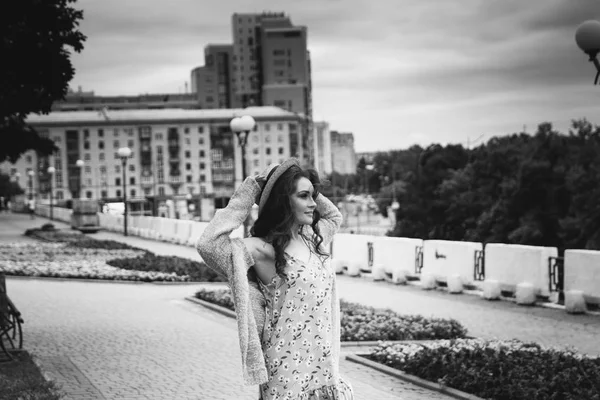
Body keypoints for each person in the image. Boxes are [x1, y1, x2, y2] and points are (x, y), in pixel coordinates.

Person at [197, 158, 353, 400]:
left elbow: (334, 217)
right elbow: (209, 245)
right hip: (287, 371)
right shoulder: (263, 250)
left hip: (323, 367)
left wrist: (306, 183)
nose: (313, 204)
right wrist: (253, 190)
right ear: (283, 201)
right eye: (304, 196)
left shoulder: (314, 237)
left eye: (313, 196)